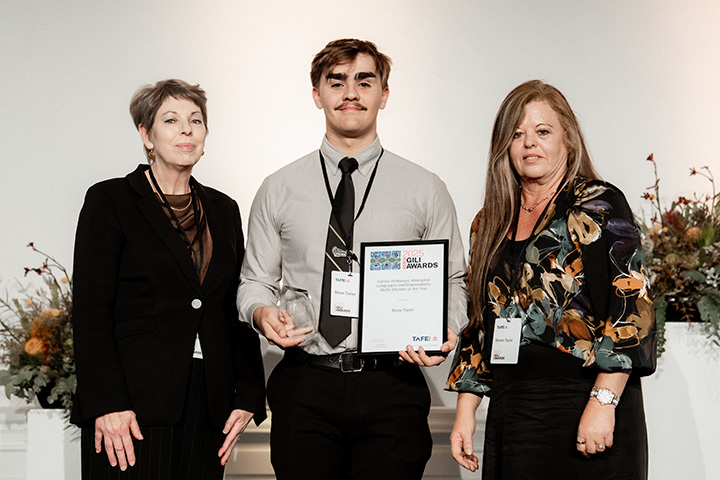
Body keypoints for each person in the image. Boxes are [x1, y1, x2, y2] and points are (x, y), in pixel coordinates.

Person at [237, 39, 468, 480]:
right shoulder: (278, 188)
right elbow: (254, 281)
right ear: (316, 94)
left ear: (384, 94)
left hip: (392, 385)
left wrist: (448, 326)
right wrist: (262, 311)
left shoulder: (425, 187)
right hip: (306, 383)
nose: (350, 93)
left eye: (365, 81)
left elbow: (454, 278)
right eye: (336, 81)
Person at [446, 80, 657, 479]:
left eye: (543, 132)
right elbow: (480, 323)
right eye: (517, 134)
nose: (530, 144)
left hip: (583, 401)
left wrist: (602, 401)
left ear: (568, 140)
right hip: (514, 411)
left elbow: (632, 310)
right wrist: (465, 412)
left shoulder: (597, 204)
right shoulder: (488, 221)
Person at [71, 79, 266, 480]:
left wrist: (248, 394)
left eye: (196, 120)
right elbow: (90, 312)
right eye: (171, 120)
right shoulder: (111, 201)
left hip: (209, 406)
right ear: (146, 135)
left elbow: (235, 305)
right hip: (130, 407)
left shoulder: (223, 209)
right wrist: (107, 404)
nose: (186, 130)